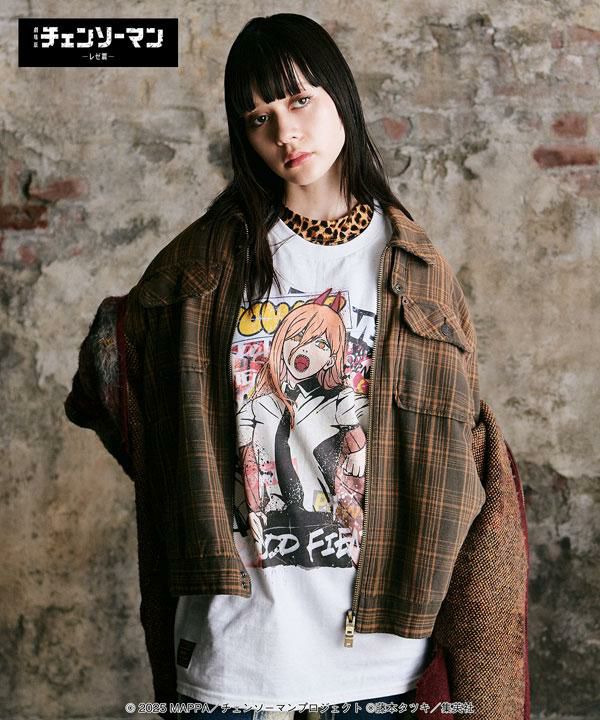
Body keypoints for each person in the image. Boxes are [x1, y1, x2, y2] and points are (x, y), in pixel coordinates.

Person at [65, 12, 530, 720]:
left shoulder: (417, 273)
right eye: (259, 118)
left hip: (380, 665)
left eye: (300, 100)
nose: (285, 132)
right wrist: (192, 479)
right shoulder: (203, 265)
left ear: (340, 95)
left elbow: (454, 464)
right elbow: (109, 379)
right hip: (234, 659)